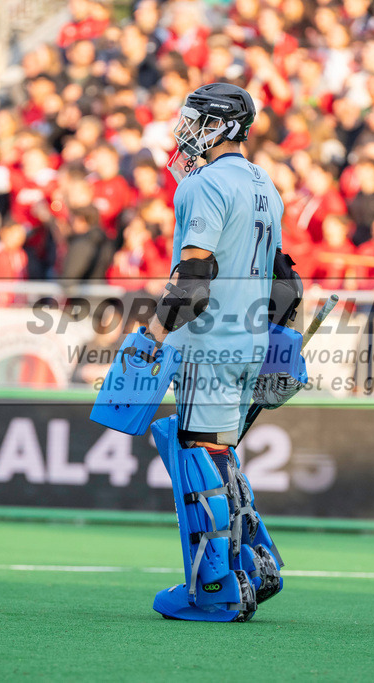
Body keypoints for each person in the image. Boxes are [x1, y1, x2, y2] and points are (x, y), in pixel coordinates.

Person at [142, 83, 289, 622]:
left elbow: (194, 276)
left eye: (196, 121)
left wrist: (153, 336)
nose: (187, 131)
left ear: (222, 125)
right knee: (220, 453)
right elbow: (285, 280)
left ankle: (217, 586)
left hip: (208, 339)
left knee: (197, 457)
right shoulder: (265, 183)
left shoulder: (205, 184)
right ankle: (257, 562)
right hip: (249, 340)